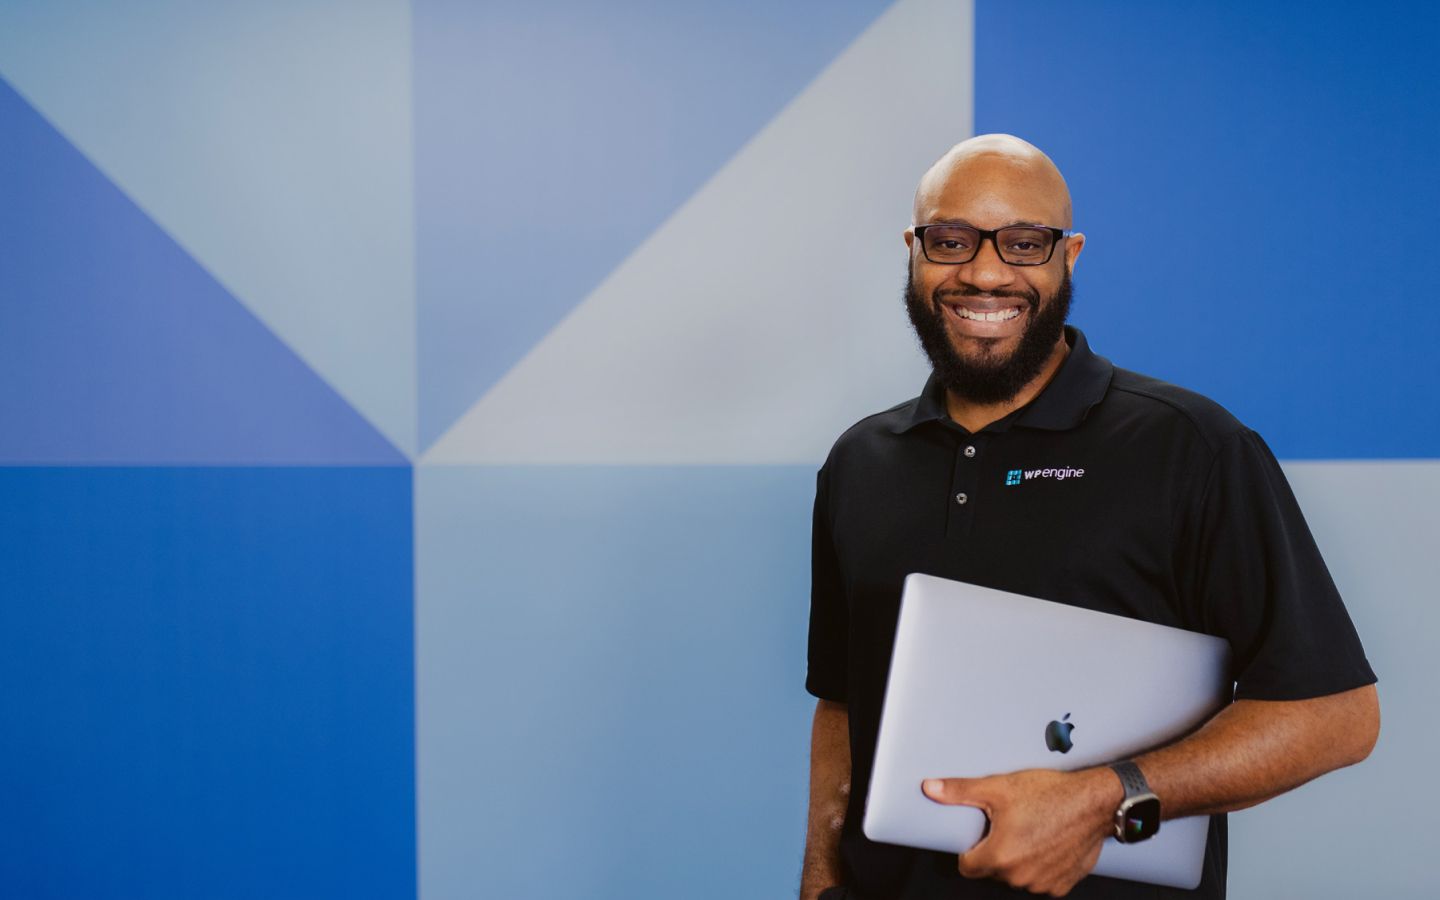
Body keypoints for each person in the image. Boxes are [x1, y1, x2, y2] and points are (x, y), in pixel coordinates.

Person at [799, 134, 1379, 900]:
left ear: (1068, 257)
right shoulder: (860, 462)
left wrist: (1106, 797)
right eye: (952, 240)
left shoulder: (1191, 447)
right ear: (914, 251)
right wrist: (819, 880)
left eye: (1023, 243)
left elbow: (1336, 715)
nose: (985, 273)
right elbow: (843, 702)